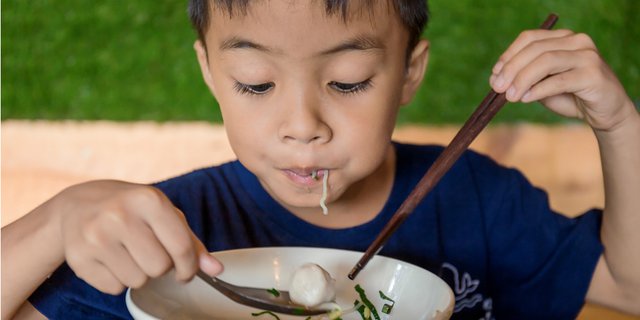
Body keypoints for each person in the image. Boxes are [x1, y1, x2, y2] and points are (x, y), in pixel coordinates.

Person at [2, 0, 639, 319]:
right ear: (210, 72)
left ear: (408, 74)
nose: (302, 127)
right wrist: (56, 223)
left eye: (349, 80)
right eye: (255, 83)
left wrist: (618, 124)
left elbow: (628, 284)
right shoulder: (170, 236)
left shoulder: (478, 199)